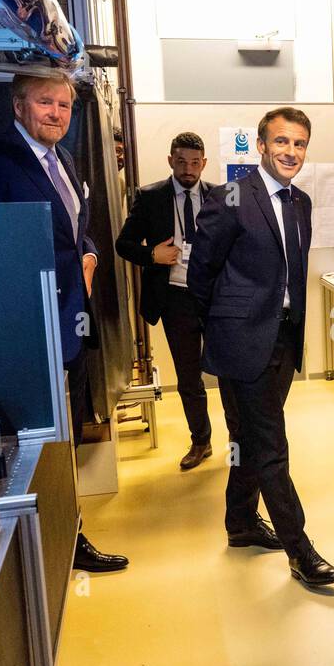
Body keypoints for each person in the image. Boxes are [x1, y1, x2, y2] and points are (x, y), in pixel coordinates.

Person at [0, 71, 129, 574]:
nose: (57, 113)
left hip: (70, 326)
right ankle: (38, 553)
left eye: (64, 104)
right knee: (34, 446)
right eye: (45, 102)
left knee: (68, 439)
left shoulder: (65, 160)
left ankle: (67, 534)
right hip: (28, 331)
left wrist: (91, 256)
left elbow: (78, 232)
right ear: (19, 106)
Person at [187, 108, 334, 588]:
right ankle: (300, 552)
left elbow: (292, 273)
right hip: (242, 339)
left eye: (298, 144)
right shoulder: (231, 194)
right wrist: (224, 327)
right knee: (272, 446)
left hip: (283, 337)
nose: (290, 152)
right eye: (281, 142)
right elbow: (201, 272)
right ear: (260, 145)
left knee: (247, 438)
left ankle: (240, 522)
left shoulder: (302, 203)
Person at [116, 133, 215, 470]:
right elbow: (123, 244)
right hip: (175, 300)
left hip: (215, 300)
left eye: (195, 162)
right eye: (182, 161)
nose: (189, 168)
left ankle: (241, 440)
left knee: (231, 373)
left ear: (204, 163)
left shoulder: (219, 197)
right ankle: (201, 440)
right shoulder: (150, 197)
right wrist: (152, 255)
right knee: (189, 377)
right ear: (171, 160)